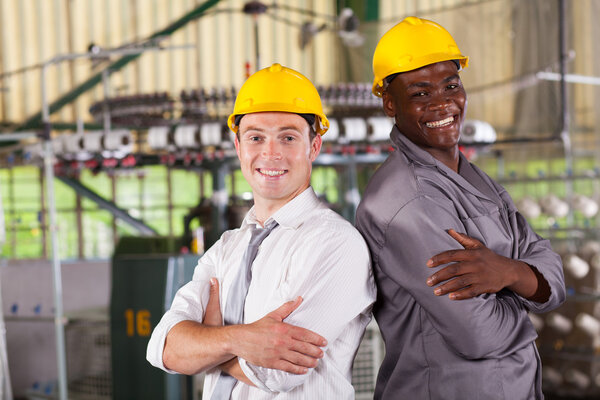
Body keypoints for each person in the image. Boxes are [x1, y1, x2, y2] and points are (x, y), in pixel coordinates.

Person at [355, 17, 565, 399]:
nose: (442, 103)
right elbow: (479, 334)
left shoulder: (473, 177)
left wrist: (509, 271)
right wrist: (524, 287)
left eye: (451, 85)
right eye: (420, 93)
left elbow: (551, 271)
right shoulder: (407, 201)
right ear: (389, 102)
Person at [147, 63, 376, 399]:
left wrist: (207, 342)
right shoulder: (227, 247)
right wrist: (237, 339)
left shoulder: (336, 244)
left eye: (288, 137)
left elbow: (276, 372)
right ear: (239, 146)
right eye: (256, 137)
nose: (270, 153)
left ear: (314, 146)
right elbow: (164, 349)